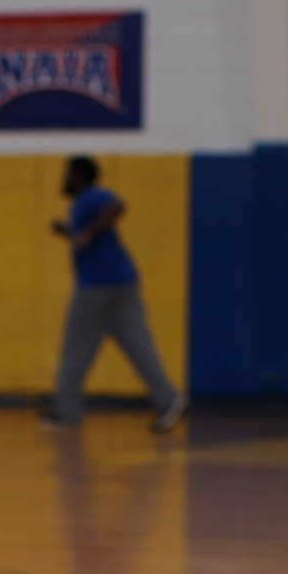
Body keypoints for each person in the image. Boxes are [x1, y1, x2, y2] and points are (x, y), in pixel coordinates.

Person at [42, 155, 186, 433]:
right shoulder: (83, 203)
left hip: (96, 286)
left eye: (69, 174)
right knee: (138, 345)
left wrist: (87, 234)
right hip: (124, 282)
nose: (65, 179)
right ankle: (169, 400)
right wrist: (70, 232)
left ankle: (67, 412)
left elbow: (116, 206)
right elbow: (87, 235)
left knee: (74, 348)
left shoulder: (91, 196)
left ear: (80, 176)